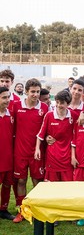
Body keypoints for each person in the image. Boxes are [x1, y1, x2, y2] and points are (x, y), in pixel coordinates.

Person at [12, 78, 48, 223]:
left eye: (38, 92)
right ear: (26, 92)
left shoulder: (44, 108)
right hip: (20, 151)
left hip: (37, 152)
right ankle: (22, 210)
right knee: (21, 180)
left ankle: (37, 210)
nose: (35, 94)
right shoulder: (16, 106)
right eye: (32, 91)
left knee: (37, 181)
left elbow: (47, 128)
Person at [35, 90, 78, 182]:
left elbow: (77, 136)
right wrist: (37, 149)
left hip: (67, 157)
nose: (58, 105)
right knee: (52, 188)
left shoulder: (74, 116)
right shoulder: (49, 115)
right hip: (52, 157)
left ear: (68, 103)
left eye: (62, 103)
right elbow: (40, 135)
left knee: (67, 188)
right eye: (57, 102)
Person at [0, 87, 15, 220]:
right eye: (4, 97)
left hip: (9, 158)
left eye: (8, 97)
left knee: (7, 185)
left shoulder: (11, 115)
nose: (7, 100)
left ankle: (3, 209)